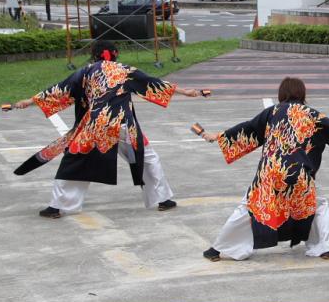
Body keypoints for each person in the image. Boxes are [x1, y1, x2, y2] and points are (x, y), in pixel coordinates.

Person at [11, 40, 205, 218]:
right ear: (115, 53)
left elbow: (59, 90)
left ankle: (57, 207)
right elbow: (153, 83)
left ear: (94, 55)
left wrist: (30, 101)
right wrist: (185, 92)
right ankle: (163, 199)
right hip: (123, 125)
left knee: (75, 162)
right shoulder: (125, 70)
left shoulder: (85, 72)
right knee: (147, 158)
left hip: (95, 127)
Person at [200, 77, 329, 262]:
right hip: (297, 173)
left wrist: (218, 137)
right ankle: (325, 247)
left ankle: (217, 249)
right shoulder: (312, 115)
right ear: (302, 93)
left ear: (281, 93)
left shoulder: (272, 112)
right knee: (318, 205)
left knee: (249, 207)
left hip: (270, 172)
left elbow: (247, 129)